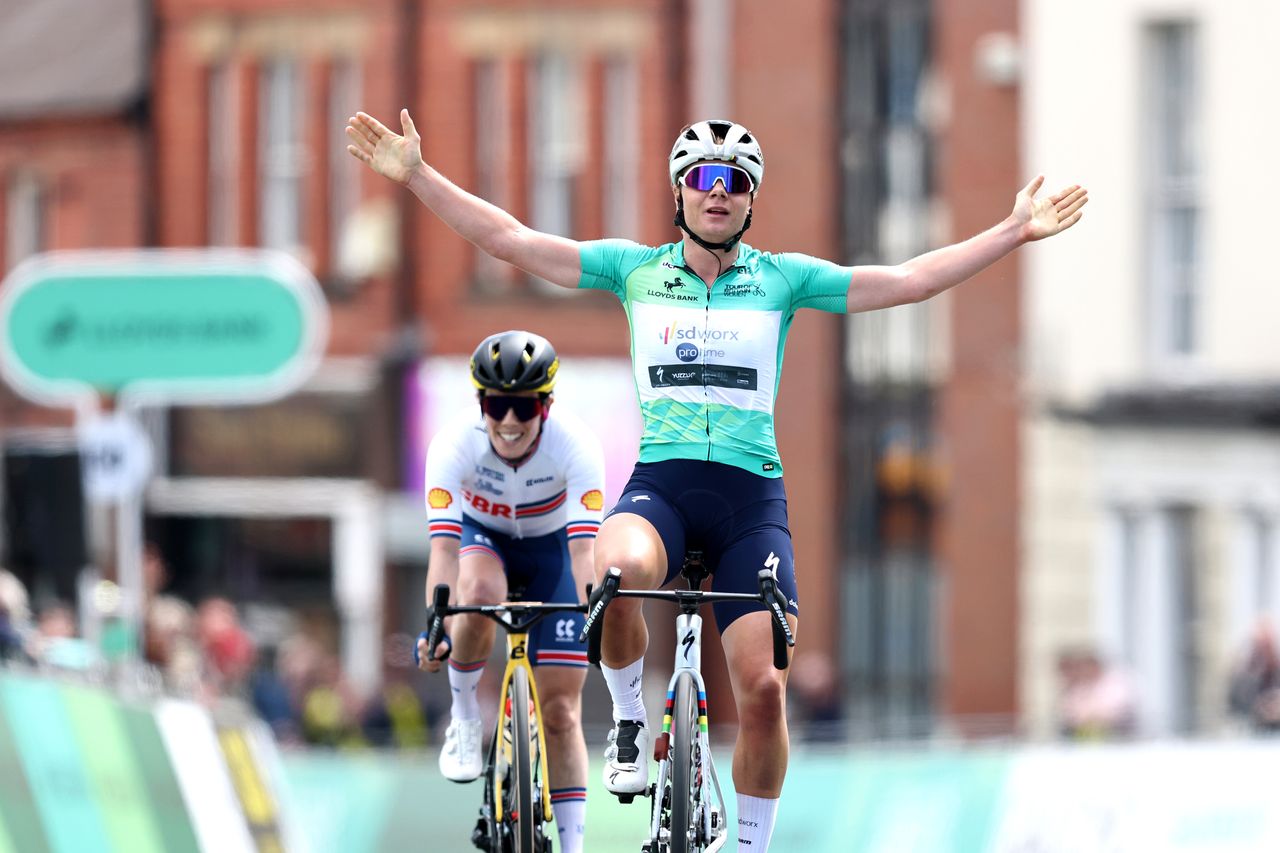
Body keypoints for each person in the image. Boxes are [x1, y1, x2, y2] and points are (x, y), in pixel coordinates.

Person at [348, 109, 1087, 851]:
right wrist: (416, 175)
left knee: (764, 688)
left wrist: (1012, 230)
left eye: (734, 182)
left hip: (749, 501)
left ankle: (750, 845)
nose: (717, 192)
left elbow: (908, 279)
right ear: (679, 191)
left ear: (750, 199)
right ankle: (631, 716)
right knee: (615, 566)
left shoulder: (783, 279)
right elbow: (507, 239)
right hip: (662, 487)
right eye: (702, 178)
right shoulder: (633, 270)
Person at [412, 330, 605, 853]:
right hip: (484, 543)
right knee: (475, 591)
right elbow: (444, 556)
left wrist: (597, 621)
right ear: (481, 404)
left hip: (554, 555)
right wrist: (437, 625)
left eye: (524, 407)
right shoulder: (453, 445)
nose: (510, 422)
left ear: (546, 405)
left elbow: (586, 556)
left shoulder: (577, 445)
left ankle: (572, 846)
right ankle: (465, 717)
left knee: (561, 714)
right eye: (498, 406)